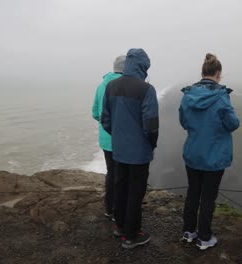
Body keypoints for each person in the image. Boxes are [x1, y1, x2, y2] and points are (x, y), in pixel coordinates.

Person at [179, 53, 239, 250]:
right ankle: (204, 237)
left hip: (193, 153)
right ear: (218, 74)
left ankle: (189, 231)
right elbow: (233, 124)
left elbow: (184, 122)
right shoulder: (222, 97)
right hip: (214, 156)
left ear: (203, 72)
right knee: (208, 197)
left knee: (193, 192)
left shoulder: (188, 95)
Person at [101, 48, 159, 249]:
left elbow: (105, 120)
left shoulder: (111, 86)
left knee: (120, 187)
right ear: (143, 66)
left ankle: (119, 226)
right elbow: (151, 125)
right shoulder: (146, 89)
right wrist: (151, 144)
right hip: (139, 152)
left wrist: (118, 137)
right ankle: (131, 235)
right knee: (135, 192)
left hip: (119, 150)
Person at [92, 55, 126, 219]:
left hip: (106, 139)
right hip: (122, 139)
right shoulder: (125, 85)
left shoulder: (101, 86)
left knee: (111, 172)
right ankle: (119, 210)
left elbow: (95, 112)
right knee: (122, 175)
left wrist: (104, 123)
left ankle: (109, 207)